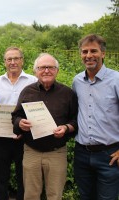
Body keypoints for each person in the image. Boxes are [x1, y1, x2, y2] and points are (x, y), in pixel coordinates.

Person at [11, 53, 78, 200]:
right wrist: (20, 123)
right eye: (42, 67)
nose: (46, 71)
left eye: (50, 67)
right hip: (31, 151)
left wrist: (66, 128)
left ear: (57, 71)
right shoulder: (27, 91)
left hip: (57, 152)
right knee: (30, 195)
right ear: (36, 71)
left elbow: (76, 121)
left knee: (54, 195)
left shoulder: (68, 93)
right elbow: (15, 116)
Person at [72, 34, 119, 200]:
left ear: (103, 54)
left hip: (109, 155)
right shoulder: (77, 81)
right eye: (85, 51)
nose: (89, 55)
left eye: (94, 51)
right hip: (82, 154)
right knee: (85, 197)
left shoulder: (116, 80)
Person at [0, 47, 37, 200]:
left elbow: (37, 109)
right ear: (4, 62)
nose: (13, 62)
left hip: (25, 138)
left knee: (23, 177)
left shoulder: (33, 81)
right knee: (1, 176)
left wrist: (23, 131)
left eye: (16, 58)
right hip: (2, 138)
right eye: (9, 59)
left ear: (22, 60)